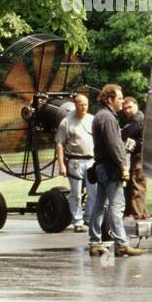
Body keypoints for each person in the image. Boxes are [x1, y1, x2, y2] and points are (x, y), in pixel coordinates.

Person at [87, 84, 143, 257]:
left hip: (101, 167)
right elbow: (113, 145)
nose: (121, 101)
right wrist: (122, 166)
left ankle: (95, 242)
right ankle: (121, 244)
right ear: (110, 99)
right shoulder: (108, 118)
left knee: (98, 205)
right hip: (111, 168)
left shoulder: (100, 116)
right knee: (116, 206)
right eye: (119, 98)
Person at [54, 93, 95, 233]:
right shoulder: (66, 122)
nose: (83, 107)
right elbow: (59, 143)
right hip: (75, 161)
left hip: (91, 161)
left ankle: (89, 218)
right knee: (76, 193)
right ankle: (78, 221)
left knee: (93, 192)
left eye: (86, 104)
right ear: (75, 105)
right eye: (81, 104)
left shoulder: (92, 119)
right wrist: (61, 164)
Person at [120, 96, 147, 221]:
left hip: (140, 156)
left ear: (136, 105)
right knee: (134, 183)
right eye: (125, 108)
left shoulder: (138, 119)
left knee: (137, 183)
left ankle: (136, 214)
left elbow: (124, 134)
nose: (127, 110)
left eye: (130, 107)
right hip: (136, 155)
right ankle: (143, 214)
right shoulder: (134, 119)